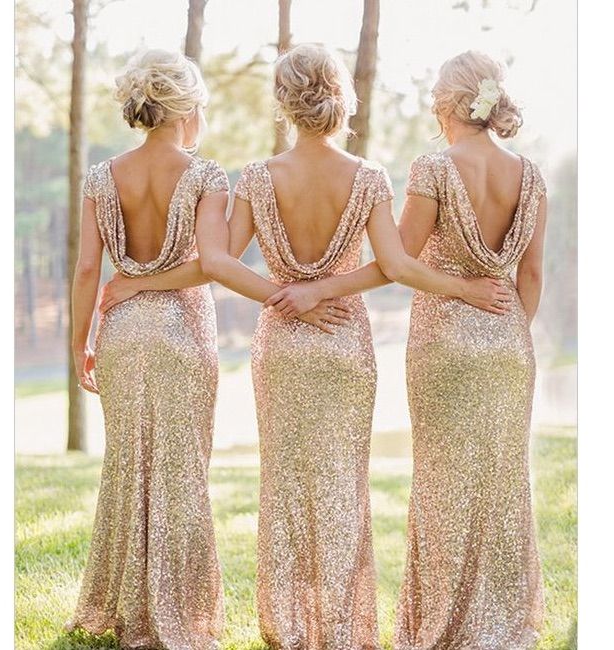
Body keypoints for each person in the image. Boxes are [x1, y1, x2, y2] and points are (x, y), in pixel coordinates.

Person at [197, 44, 509, 650]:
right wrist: (325, 294)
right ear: (341, 99)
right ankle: (343, 627)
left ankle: (288, 626)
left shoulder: (258, 179)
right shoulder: (369, 177)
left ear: (285, 104)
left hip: (283, 344)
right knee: (345, 482)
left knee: (285, 479)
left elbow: (218, 262)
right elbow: (393, 264)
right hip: (344, 343)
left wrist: (282, 295)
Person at [68, 50, 228, 650]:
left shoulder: (101, 177)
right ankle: (178, 614)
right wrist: (149, 281)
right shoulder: (208, 176)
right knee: (181, 473)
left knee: (127, 469)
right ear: (186, 105)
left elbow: (89, 269)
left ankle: (125, 605)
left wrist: (79, 341)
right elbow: (208, 267)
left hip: (120, 332)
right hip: (184, 332)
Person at [390, 51, 547, 649]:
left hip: (443, 342)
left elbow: (400, 260)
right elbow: (529, 278)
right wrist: (505, 333)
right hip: (509, 343)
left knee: (443, 480)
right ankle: (502, 623)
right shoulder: (529, 174)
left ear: (447, 101)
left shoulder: (432, 168)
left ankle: (448, 623)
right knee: (502, 481)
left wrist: (458, 293)